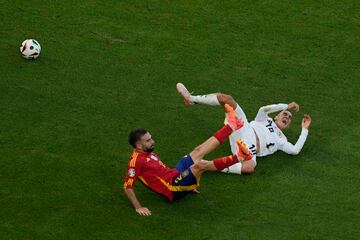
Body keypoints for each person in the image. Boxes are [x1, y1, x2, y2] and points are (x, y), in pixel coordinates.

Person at [123, 104, 252, 216]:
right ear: (139, 145)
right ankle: (239, 157)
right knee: (200, 165)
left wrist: (187, 181)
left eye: (150, 138)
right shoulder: (135, 162)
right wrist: (138, 207)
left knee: (197, 152)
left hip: (175, 175)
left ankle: (231, 126)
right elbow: (127, 186)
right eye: (148, 140)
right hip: (173, 188)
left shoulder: (147, 151)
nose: (153, 141)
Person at [176, 83, 311, 175]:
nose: (287, 117)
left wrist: (304, 129)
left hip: (248, 149)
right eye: (285, 114)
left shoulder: (282, 140)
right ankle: (191, 99)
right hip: (243, 127)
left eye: (289, 118)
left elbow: (294, 150)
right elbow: (263, 109)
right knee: (226, 98)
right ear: (276, 116)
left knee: (250, 167)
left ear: (287, 126)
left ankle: (203, 165)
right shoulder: (265, 119)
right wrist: (285, 106)